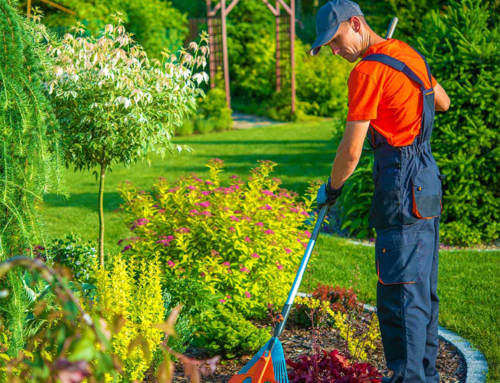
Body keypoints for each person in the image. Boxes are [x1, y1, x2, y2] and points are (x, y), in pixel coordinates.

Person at [311, 1, 451, 382]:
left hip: (400, 184)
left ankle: (408, 379)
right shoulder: (405, 53)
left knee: (400, 295)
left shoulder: (368, 72)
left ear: (356, 24)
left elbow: (351, 150)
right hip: (426, 179)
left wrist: (332, 189)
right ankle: (423, 376)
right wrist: (396, 71)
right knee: (420, 289)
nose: (335, 52)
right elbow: (442, 101)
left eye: (337, 41)